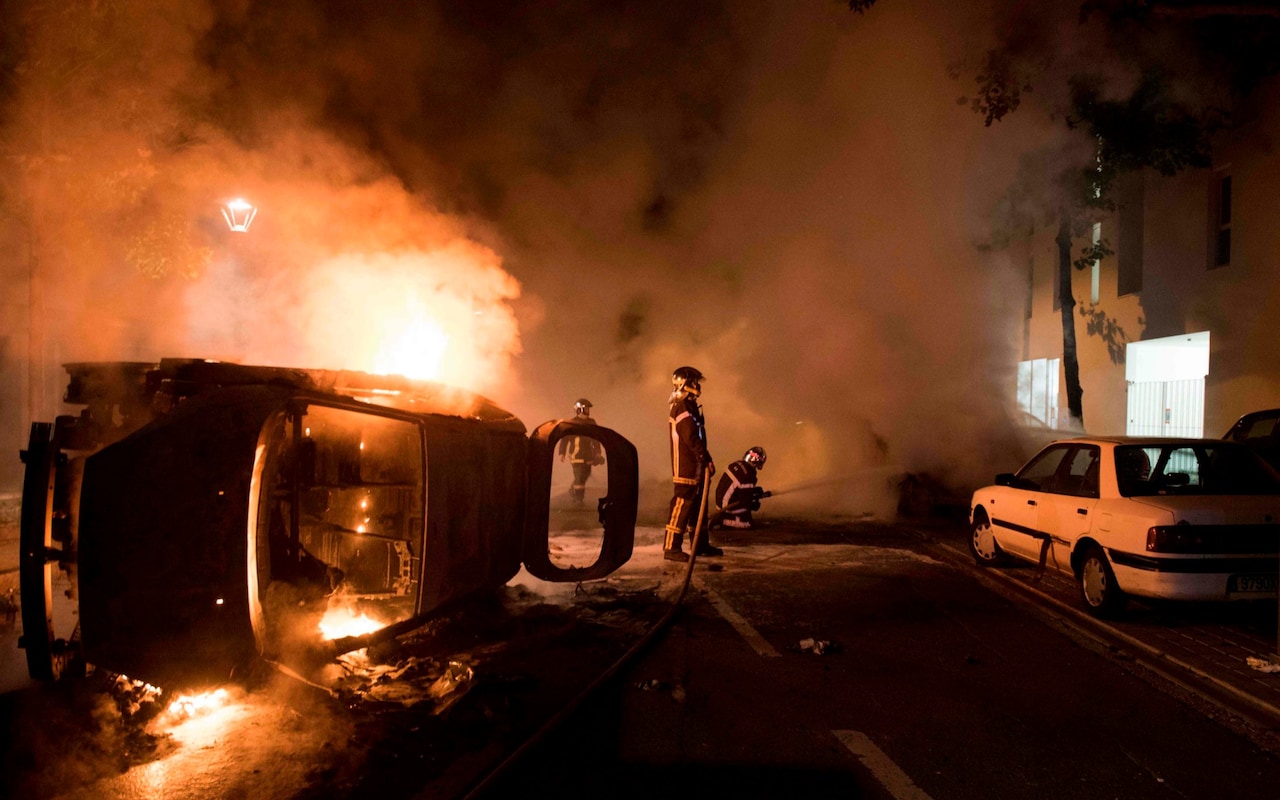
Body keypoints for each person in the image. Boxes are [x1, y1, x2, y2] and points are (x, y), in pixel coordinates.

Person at [664, 366, 721, 561]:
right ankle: (671, 548)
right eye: (695, 382)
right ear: (685, 384)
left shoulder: (689, 406)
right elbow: (691, 438)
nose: (697, 386)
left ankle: (700, 545)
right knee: (682, 505)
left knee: (698, 508)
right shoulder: (683, 407)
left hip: (696, 466)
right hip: (686, 468)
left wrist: (704, 460)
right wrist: (704, 458)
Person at [558, 398, 604, 507]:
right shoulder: (572, 423)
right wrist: (562, 453)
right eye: (586, 409)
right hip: (576, 455)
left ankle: (572, 489)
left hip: (588, 455)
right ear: (579, 410)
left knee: (585, 474)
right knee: (579, 476)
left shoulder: (591, 422)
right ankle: (579, 499)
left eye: (588, 409)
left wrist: (598, 453)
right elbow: (564, 439)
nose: (588, 411)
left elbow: (596, 439)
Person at [714, 446, 770, 529]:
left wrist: (753, 491)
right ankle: (727, 522)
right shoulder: (749, 475)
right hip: (727, 512)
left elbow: (737, 488)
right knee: (748, 524)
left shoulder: (736, 464)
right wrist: (753, 505)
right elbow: (745, 501)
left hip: (720, 506)